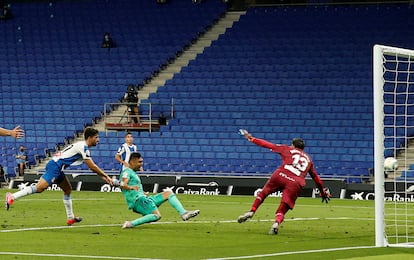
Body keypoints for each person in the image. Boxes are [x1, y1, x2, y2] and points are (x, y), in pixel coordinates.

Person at [5, 127, 114, 225]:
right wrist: (106, 176)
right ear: (90, 138)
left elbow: (92, 167)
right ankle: (12, 196)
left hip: (58, 167)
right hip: (55, 166)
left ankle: (70, 218)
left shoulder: (82, 146)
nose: (98, 140)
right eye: (96, 137)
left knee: (67, 190)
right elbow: (92, 166)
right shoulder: (83, 147)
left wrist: (104, 177)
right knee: (39, 188)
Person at [237, 129, 331, 235]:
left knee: (264, 193)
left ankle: (252, 211)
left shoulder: (287, 149)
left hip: (281, 174)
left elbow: (267, 145)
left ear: (293, 145)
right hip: (295, 182)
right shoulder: (309, 159)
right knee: (283, 207)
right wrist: (322, 193)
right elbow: (316, 178)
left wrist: (251, 138)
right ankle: (276, 223)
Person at [119, 152, 200, 229]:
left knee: (168, 193)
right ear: (132, 162)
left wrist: (142, 192)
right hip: (138, 200)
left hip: (143, 198)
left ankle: (184, 213)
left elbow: (131, 186)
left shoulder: (132, 172)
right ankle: (130, 223)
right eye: (139, 162)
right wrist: (131, 188)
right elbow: (123, 185)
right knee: (156, 216)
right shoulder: (127, 172)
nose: (141, 164)